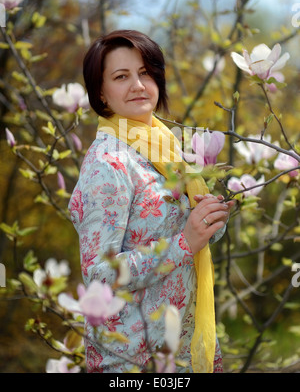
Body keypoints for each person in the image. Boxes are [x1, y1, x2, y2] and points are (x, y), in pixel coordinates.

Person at [69, 29, 234, 373]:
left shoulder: (164, 146)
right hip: (133, 355)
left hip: (182, 345)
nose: (138, 85)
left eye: (145, 73)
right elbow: (99, 276)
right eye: (121, 76)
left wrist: (209, 219)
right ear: (100, 91)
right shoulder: (108, 162)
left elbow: (181, 234)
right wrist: (184, 242)